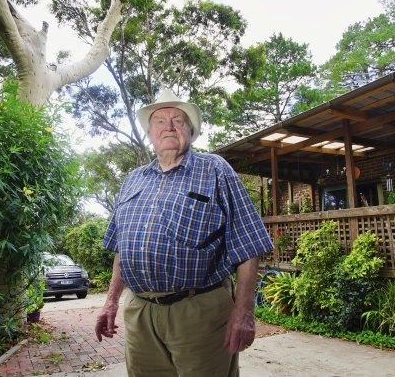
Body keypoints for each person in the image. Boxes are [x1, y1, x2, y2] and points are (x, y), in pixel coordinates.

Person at [95, 89, 273, 377]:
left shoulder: (215, 170)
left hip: (199, 311)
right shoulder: (132, 179)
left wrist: (245, 313)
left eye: (178, 120)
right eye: (159, 121)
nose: (169, 127)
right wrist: (111, 301)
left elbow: (248, 244)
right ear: (149, 133)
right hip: (141, 313)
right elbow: (121, 246)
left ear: (191, 130)